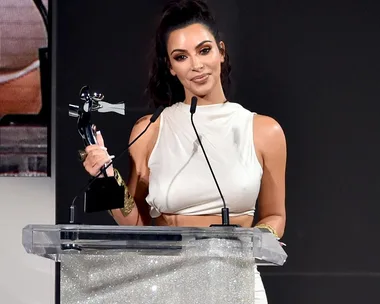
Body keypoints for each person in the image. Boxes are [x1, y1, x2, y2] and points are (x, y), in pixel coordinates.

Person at [83, 0, 287, 302]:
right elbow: (136, 224)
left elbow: (275, 215)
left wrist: (258, 239)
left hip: (236, 283)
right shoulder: (149, 130)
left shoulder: (264, 131)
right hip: (167, 284)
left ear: (221, 51)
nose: (196, 65)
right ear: (170, 66)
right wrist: (106, 179)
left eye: (204, 50)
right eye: (181, 56)